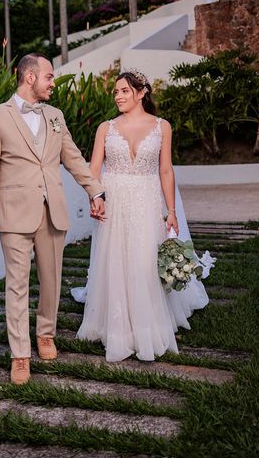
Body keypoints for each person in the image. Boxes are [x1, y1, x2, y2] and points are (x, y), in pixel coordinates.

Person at [0, 53, 105, 385]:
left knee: (51, 281)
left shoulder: (55, 116)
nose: (53, 82)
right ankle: (20, 354)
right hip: (14, 212)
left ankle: (45, 333)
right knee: (16, 285)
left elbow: (73, 157)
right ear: (30, 77)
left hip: (52, 210)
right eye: (49, 76)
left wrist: (95, 190)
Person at [73, 70, 210, 362]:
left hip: (148, 201)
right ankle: (116, 327)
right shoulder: (105, 128)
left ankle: (148, 324)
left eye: (124, 91)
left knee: (145, 260)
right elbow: (93, 169)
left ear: (141, 92)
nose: (118, 96)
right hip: (115, 201)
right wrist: (95, 197)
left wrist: (171, 211)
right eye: (116, 92)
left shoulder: (162, 127)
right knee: (115, 258)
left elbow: (165, 170)